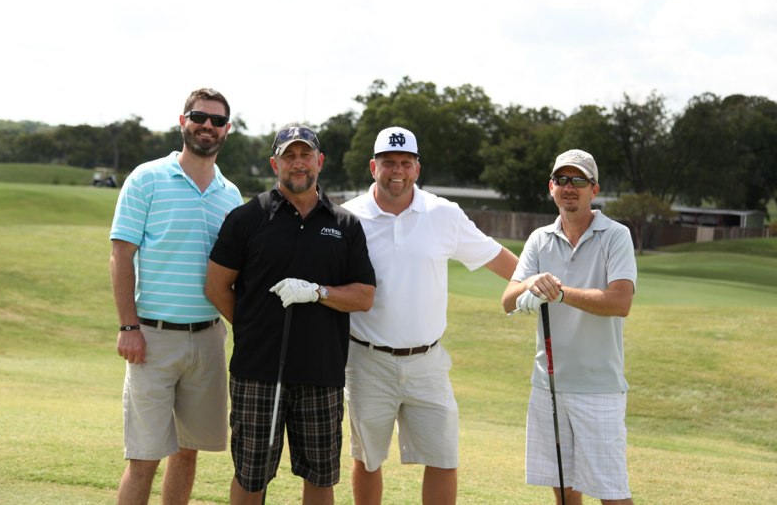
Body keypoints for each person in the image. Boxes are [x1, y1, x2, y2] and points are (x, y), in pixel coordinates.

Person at [341, 126, 519, 505]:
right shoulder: (348, 217)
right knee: (368, 459)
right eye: (389, 162)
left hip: (428, 362)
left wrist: (538, 282)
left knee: (442, 458)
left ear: (417, 168)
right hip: (366, 360)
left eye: (406, 163)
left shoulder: (443, 214)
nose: (398, 171)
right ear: (373, 166)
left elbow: (497, 258)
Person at [204, 122, 377, 505]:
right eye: (289, 156)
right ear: (275, 164)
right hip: (257, 372)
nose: (298, 163)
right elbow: (216, 286)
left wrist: (318, 292)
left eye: (305, 155)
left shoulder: (345, 224)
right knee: (251, 477)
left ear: (320, 161)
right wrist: (253, 326)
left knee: (319, 478)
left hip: (322, 373)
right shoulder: (247, 218)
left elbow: (364, 296)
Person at [109, 88, 243, 505]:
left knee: (187, 453)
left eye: (217, 121)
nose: (207, 126)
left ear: (227, 129)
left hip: (208, 339)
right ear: (183, 121)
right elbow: (121, 255)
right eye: (199, 117)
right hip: (152, 338)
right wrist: (128, 326)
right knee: (144, 457)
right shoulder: (146, 178)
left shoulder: (230, 195)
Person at [501, 149, 637, 505]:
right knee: (563, 489)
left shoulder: (616, 235)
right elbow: (508, 300)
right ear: (551, 187)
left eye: (579, 180)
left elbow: (620, 302)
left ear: (594, 189)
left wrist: (560, 293)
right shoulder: (539, 238)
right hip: (548, 386)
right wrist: (531, 284)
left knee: (612, 493)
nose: (569, 187)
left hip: (599, 387)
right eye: (561, 179)